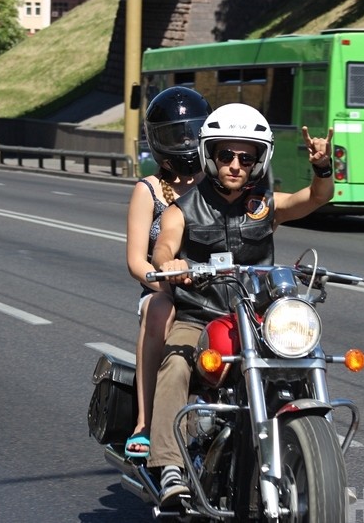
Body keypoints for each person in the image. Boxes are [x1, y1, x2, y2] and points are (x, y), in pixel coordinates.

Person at [147, 102, 334, 506]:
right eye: (225, 154)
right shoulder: (184, 208)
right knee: (176, 363)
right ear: (209, 156)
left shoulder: (264, 205)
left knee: (302, 356)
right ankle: (170, 468)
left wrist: (322, 167)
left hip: (259, 318)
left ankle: (317, 465)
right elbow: (163, 246)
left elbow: (317, 197)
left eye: (245, 157)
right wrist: (171, 262)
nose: (235, 164)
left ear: (258, 161)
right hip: (201, 317)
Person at [124, 86, 212, 459]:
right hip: (165, 290)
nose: (187, 142)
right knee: (160, 309)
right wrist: (164, 281)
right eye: (177, 135)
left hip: (213, 289)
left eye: (193, 132)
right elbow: (135, 261)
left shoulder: (218, 185)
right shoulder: (149, 190)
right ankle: (145, 422)